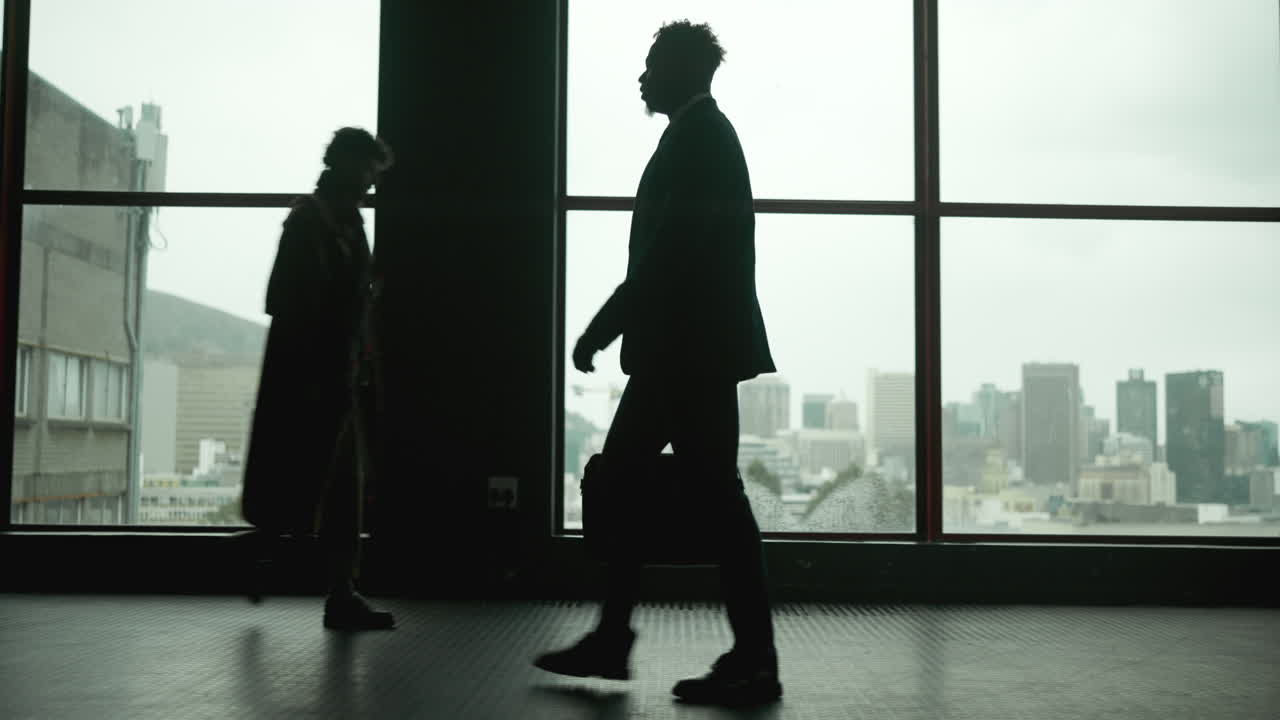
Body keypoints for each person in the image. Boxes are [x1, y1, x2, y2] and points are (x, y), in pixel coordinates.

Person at [534, 20, 781, 706]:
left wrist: (603, 325)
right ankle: (730, 653)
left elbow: (669, 251)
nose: (641, 78)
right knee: (671, 492)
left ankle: (644, 641)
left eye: (651, 67)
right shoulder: (703, 136)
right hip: (691, 351)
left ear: (679, 71)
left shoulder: (699, 140)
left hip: (684, 353)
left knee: (639, 487)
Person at [239, 127, 395, 631]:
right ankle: (328, 587)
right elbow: (288, 299)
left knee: (323, 484)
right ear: (349, 165)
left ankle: (323, 582)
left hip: (331, 377)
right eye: (369, 171)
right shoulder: (318, 223)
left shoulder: (333, 221)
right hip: (318, 377)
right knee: (322, 482)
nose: (372, 182)